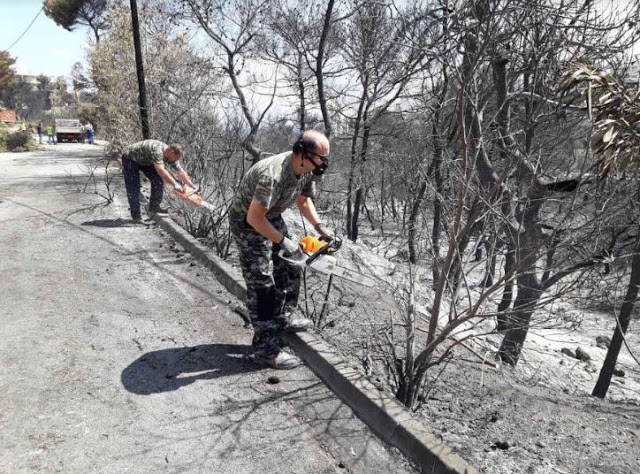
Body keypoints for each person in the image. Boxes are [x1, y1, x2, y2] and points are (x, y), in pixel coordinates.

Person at [229, 129, 334, 370]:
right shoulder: (273, 175)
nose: (322, 164)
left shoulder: (306, 170)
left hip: (271, 215)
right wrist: (282, 241)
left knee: (291, 265)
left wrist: (319, 227)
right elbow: (255, 219)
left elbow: (304, 200)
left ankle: (284, 317)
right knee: (262, 284)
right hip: (247, 221)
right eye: (320, 158)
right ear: (302, 153)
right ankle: (265, 350)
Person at [121, 139, 195, 223]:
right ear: (171, 152)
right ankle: (136, 216)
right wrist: (175, 184)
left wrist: (191, 185)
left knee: (158, 180)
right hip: (130, 159)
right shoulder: (157, 151)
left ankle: (154, 207)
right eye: (176, 157)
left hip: (145, 160)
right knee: (133, 187)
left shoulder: (171, 155)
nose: (176, 160)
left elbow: (180, 171)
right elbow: (161, 170)